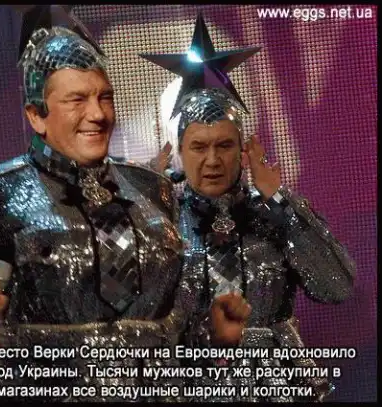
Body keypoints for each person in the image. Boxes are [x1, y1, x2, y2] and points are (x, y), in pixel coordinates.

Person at [0, 7, 250, 403]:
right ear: (36, 115)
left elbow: (176, 326)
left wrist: (214, 335)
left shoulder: (154, 188)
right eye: (77, 100)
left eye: (105, 97)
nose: (98, 114)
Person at [141, 13, 356, 403]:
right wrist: (140, 209)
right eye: (198, 147)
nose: (212, 160)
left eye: (224, 145)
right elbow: (129, 325)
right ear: (179, 152)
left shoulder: (275, 212)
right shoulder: (161, 219)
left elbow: (336, 288)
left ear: (243, 149)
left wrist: (281, 203)